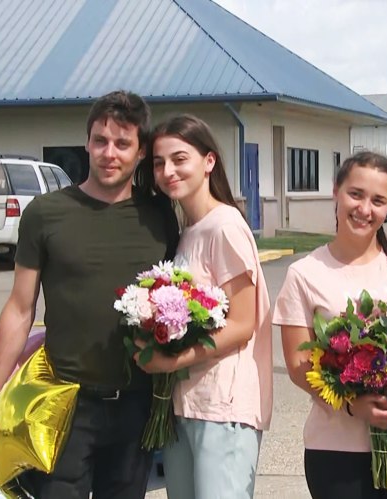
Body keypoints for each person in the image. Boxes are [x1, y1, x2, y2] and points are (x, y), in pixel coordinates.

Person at [0, 90, 180, 498]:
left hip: (135, 403)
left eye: (123, 143)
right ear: (87, 143)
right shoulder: (46, 213)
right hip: (63, 403)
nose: (109, 153)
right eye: (100, 140)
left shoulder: (159, 216)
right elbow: (19, 307)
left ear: (140, 152)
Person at [273, 151, 387, 499]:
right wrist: (353, 405)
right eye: (356, 194)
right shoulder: (305, 273)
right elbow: (297, 365)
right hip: (335, 450)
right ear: (336, 191)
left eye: (378, 200)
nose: (365, 209)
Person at [136, 114, 273, 499]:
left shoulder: (224, 225)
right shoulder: (188, 232)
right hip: (186, 404)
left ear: (208, 161)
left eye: (180, 159)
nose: (168, 171)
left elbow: (243, 324)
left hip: (223, 406)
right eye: (159, 163)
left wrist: (170, 362)